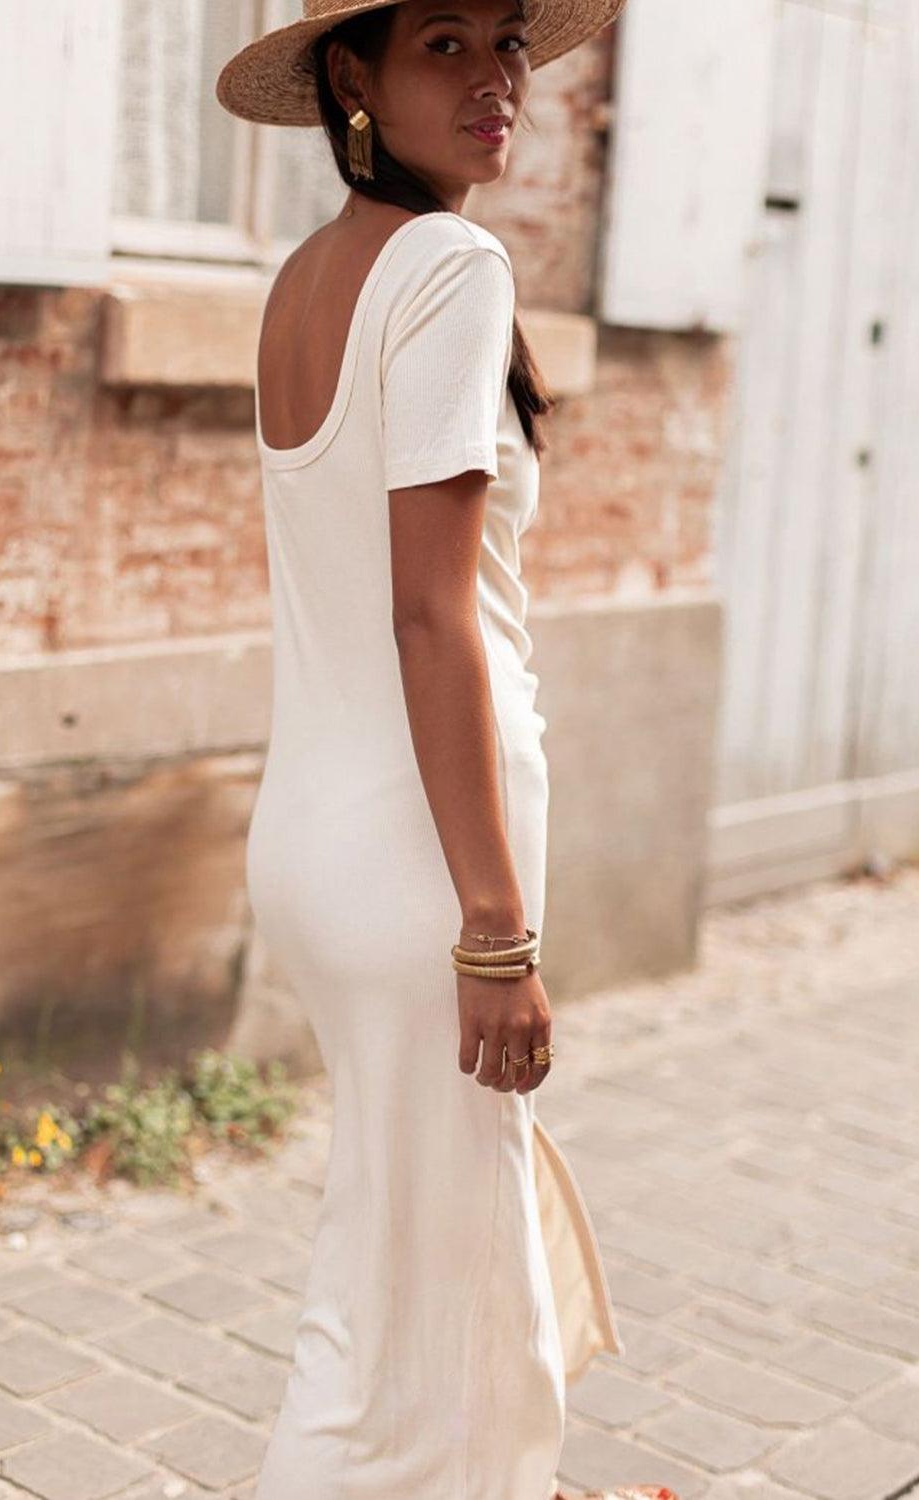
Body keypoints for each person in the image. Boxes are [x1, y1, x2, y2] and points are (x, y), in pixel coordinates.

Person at [217, 0, 679, 1495]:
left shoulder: (312, 276)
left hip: (327, 837)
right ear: (351, 73)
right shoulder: (449, 267)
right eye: (445, 45)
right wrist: (494, 931)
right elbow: (433, 618)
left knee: (409, 1277)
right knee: (412, 1339)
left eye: (507, 41)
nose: (498, 80)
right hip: (425, 864)